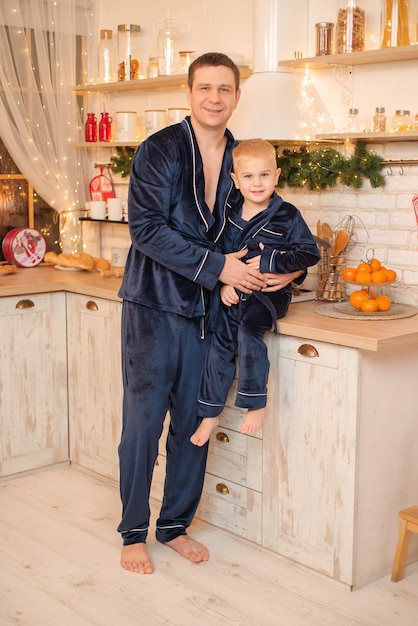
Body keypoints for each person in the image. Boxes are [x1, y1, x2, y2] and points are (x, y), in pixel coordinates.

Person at [117, 53, 302, 575]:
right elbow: (146, 230)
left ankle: (173, 526)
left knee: (196, 420)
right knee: (143, 424)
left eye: (225, 89)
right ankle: (133, 532)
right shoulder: (160, 150)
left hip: (210, 317)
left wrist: (290, 273)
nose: (214, 98)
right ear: (189, 92)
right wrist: (220, 267)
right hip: (153, 307)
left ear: (237, 96)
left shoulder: (247, 156)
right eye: (205, 88)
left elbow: (278, 224)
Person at [191, 139, 320, 446]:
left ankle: (255, 402)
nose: (257, 183)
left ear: (276, 176)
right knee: (219, 345)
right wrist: (224, 285)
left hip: (267, 295)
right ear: (235, 180)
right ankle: (210, 414)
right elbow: (219, 256)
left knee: (249, 334)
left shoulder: (287, 215)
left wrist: (272, 261)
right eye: (248, 176)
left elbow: (309, 253)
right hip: (235, 294)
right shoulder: (228, 216)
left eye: (264, 175)